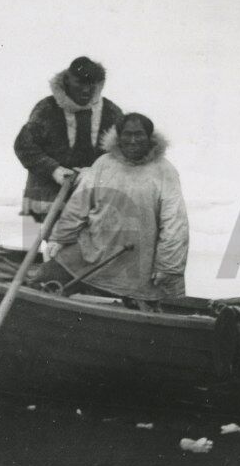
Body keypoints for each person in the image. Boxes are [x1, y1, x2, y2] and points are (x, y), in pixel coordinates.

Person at [40, 113, 189, 305]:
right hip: (94, 251)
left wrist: (168, 267)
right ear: (119, 137)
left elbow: (175, 223)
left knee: (143, 301)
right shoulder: (104, 164)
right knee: (43, 277)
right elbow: (79, 205)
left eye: (139, 134)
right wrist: (60, 238)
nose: (133, 140)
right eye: (127, 134)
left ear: (149, 137)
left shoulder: (165, 171)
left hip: (138, 260)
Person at [14, 56, 125, 222]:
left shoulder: (111, 112)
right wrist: (54, 170)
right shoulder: (46, 108)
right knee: (46, 245)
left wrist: (96, 172)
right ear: (67, 81)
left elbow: (122, 154)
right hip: (46, 202)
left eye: (91, 83)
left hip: (94, 202)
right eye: (80, 82)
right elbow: (24, 146)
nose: (86, 90)